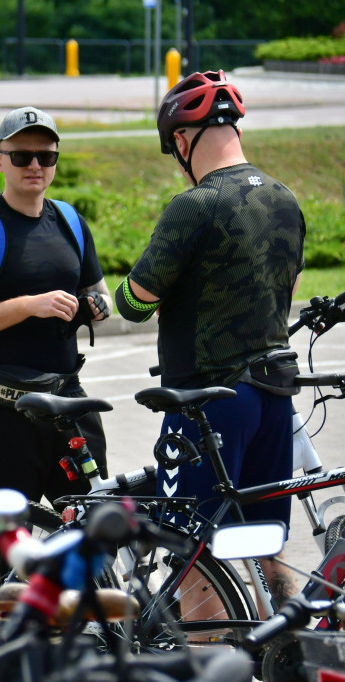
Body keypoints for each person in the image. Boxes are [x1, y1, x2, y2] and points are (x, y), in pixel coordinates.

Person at [115, 70, 305, 610]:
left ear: (181, 139)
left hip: (209, 404)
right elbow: (287, 285)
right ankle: (282, 650)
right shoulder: (283, 198)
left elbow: (135, 303)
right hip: (274, 395)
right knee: (266, 542)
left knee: (192, 552)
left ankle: (209, 662)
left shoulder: (195, 205)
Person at [0, 106, 111, 512]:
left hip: (68, 400)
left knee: (96, 529)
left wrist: (95, 306)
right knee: (9, 545)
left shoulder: (70, 221)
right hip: (5, 409)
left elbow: (99, 295)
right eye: (21, 156)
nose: (34, 165)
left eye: (46, 156)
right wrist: (30, 306)